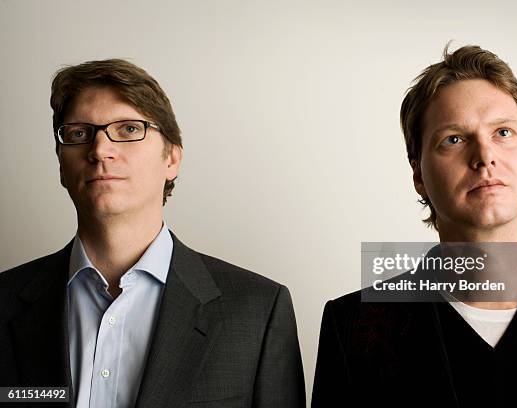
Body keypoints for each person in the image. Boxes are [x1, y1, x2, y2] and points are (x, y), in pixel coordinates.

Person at [311, 45, 517, 407]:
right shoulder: (353, 327)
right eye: (453, 139)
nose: (485, 156)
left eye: (503, 132)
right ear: (418, 174)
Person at [0, 59, 305, 408]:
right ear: (60, 165)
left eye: (129, 129)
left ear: (172, 158)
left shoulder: (257, 311)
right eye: (79, 134)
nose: (100, 150)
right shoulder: (5, 301)